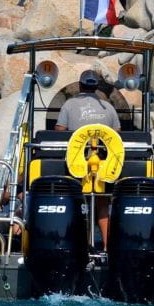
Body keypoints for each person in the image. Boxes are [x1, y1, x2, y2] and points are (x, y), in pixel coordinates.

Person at [55, 70, 120, 250]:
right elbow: (116, 137)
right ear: (96, 87)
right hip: (104, 165)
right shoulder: (109, 107)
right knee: (102, 203)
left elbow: (59, 132)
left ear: (81, 85)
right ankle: (107, 247)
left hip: (77, 166)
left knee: (77, 202)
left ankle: (80, 246)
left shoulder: (69, 105)